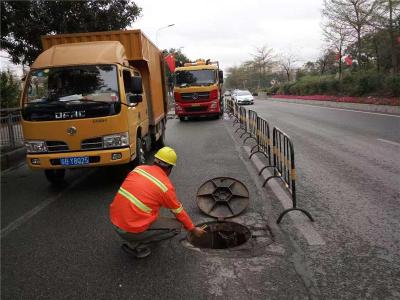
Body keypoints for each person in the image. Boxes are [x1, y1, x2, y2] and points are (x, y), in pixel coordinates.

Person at [110, 146, 205, 258]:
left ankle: (140, 235)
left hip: (115, 220)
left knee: (148, 208)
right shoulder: (164, 187)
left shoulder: (138, 169)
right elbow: (179, 212)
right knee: (177, 226)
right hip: (128, 229)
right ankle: (136, 245)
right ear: (170, 168)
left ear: (155, 161)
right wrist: (193, 229)